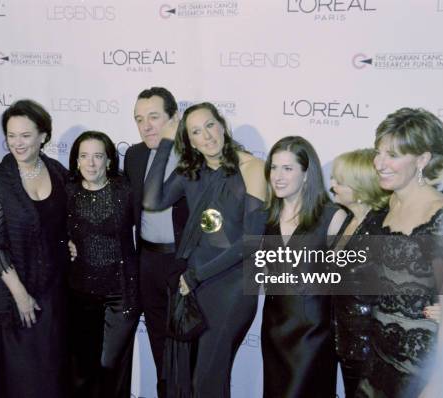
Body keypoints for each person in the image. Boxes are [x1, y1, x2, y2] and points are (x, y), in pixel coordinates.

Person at [142, 102, 267, 397]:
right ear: (191, 141)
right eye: (196, 132)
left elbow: (252, 242)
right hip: (193, 285)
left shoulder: (252, 168)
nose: (207, 136)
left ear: (222, 125)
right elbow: (151, 201)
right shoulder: (191, 173)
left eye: (210, 125)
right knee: (187, 377)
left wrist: (198, 275)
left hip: (232, 287)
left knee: (207, 381)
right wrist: (165, 144)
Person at [357, 108, 443, 397]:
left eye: (393, 155)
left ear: (422, 159)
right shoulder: (381, 211)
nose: (379, 163)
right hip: (375, 362)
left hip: (421, 372)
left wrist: (439, 383)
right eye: (379, 152)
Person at [0, 99, 68, 398]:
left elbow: (63, 220)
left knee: (50, 374)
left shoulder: (57, 171)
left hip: (53, 291)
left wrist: (70, 241)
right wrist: (20, 296)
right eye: (11, 135)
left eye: (25, 135)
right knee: (20, 378)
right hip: (13, 292)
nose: (17, 143)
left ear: (43, 135)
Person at [261, 136, 347, 398]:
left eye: (288, 168)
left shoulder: (332, 217)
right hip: (274, 330)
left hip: (313, 335)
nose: (278, 176)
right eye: (274, 168)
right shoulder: (265, 218)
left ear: (307, 174)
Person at [124, 87, 188, 396]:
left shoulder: (195, 157)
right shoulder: (134, 156)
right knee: (159, 347)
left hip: (184, 264)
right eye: (139, 119)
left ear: (175, 118)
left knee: (188, 351)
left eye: (154, 117)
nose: (146, 126)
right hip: (147, 262)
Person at [66, 131, 140, 397]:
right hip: (80, 295)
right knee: (83, 369)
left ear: (109, 161)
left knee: (110, 366)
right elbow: (48, 230)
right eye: (84, 156)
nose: (91, 163)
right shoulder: (68, 192)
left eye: (98, 156)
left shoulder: (126, 190)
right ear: (76, 161)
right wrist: (64, 244)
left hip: (120, 294)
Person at [329, 148, 389, 397]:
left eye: (340, 182)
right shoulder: (347, 219)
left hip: (369, 346)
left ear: (362, 188)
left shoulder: (381, 228)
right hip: (343, 339)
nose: (331, 185)